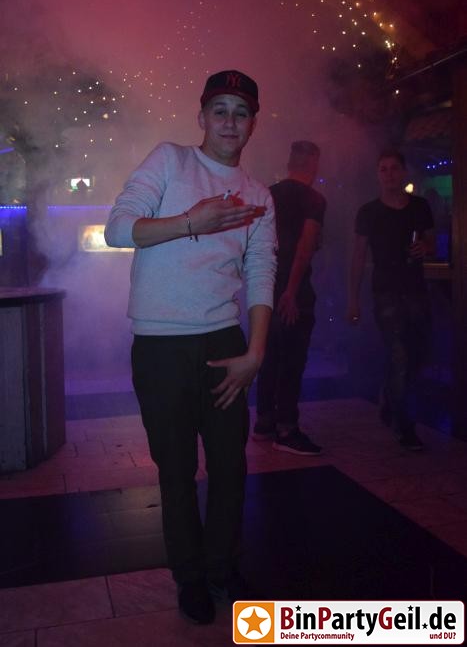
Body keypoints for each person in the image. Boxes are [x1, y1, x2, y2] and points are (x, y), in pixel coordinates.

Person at [104, 70, 276, 625]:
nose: (229, 121)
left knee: (230, 467)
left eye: (241, 112)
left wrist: (255, 353)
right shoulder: (171, 161)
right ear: (201, 117)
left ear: (253, 124)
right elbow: (117, 229)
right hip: (160, 345)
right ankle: (191, 577)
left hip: (223, 340)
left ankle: (223, 568)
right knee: (176, 471)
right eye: (219, 109)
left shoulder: (258, 195)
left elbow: (261, 273)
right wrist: (190, 222)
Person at [347, 149, 435, 451]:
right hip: (385, 291)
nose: (388, 174)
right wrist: (353, 300)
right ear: (377, 175)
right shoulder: (369, 211)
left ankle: (390, 398)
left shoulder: (419, 207)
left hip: (416, 289)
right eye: (383, 169)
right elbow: (358, 256)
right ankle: (403, 424)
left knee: (418, 353)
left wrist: (425, 247)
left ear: (404, 172)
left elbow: (431, 241)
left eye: (394, 168)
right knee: (399, 354)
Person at [253, 140, 326, 455]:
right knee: (292, 360)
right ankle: (286, 428)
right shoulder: (313, 199)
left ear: (289, 162)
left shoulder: (267, 194)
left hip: (265, 288)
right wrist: (292, 291)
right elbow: (305, 247)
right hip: (291, 292)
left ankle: (264, 422)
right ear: (314, 163)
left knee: (269, 356)